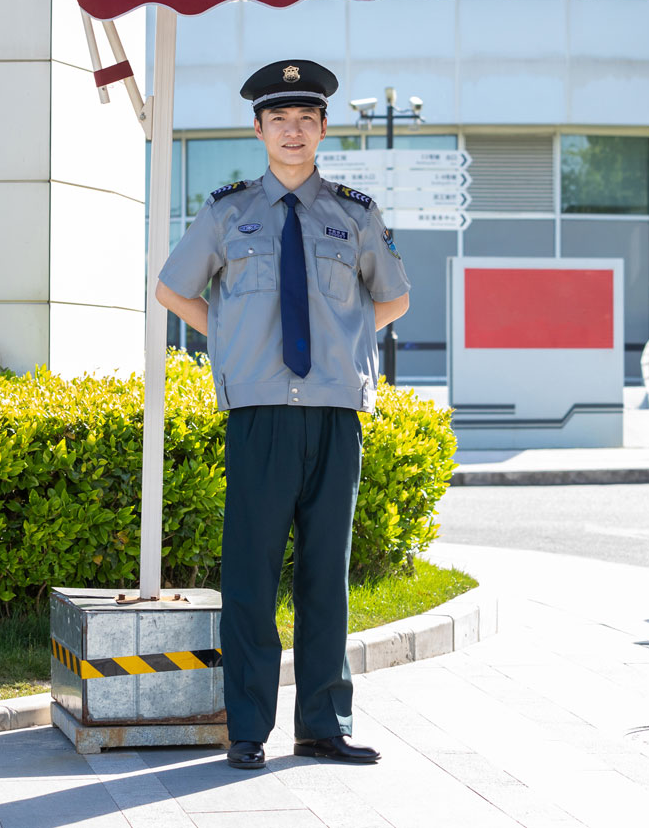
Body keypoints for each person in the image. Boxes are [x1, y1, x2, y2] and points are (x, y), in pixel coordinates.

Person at [156, 58, 411, 769]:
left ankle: (323, 724)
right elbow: (173, 290)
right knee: (250, 574)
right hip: (260, 415)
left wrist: (348, 346)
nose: (292, 132)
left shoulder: (356, 215)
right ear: (259, 129)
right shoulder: (226, 213)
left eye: (305, 120)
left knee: (325, 574)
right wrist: (234, 342)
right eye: (279, 120)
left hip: (334, 414)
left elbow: (392, 300)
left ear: (324, 127)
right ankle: (247, 729)